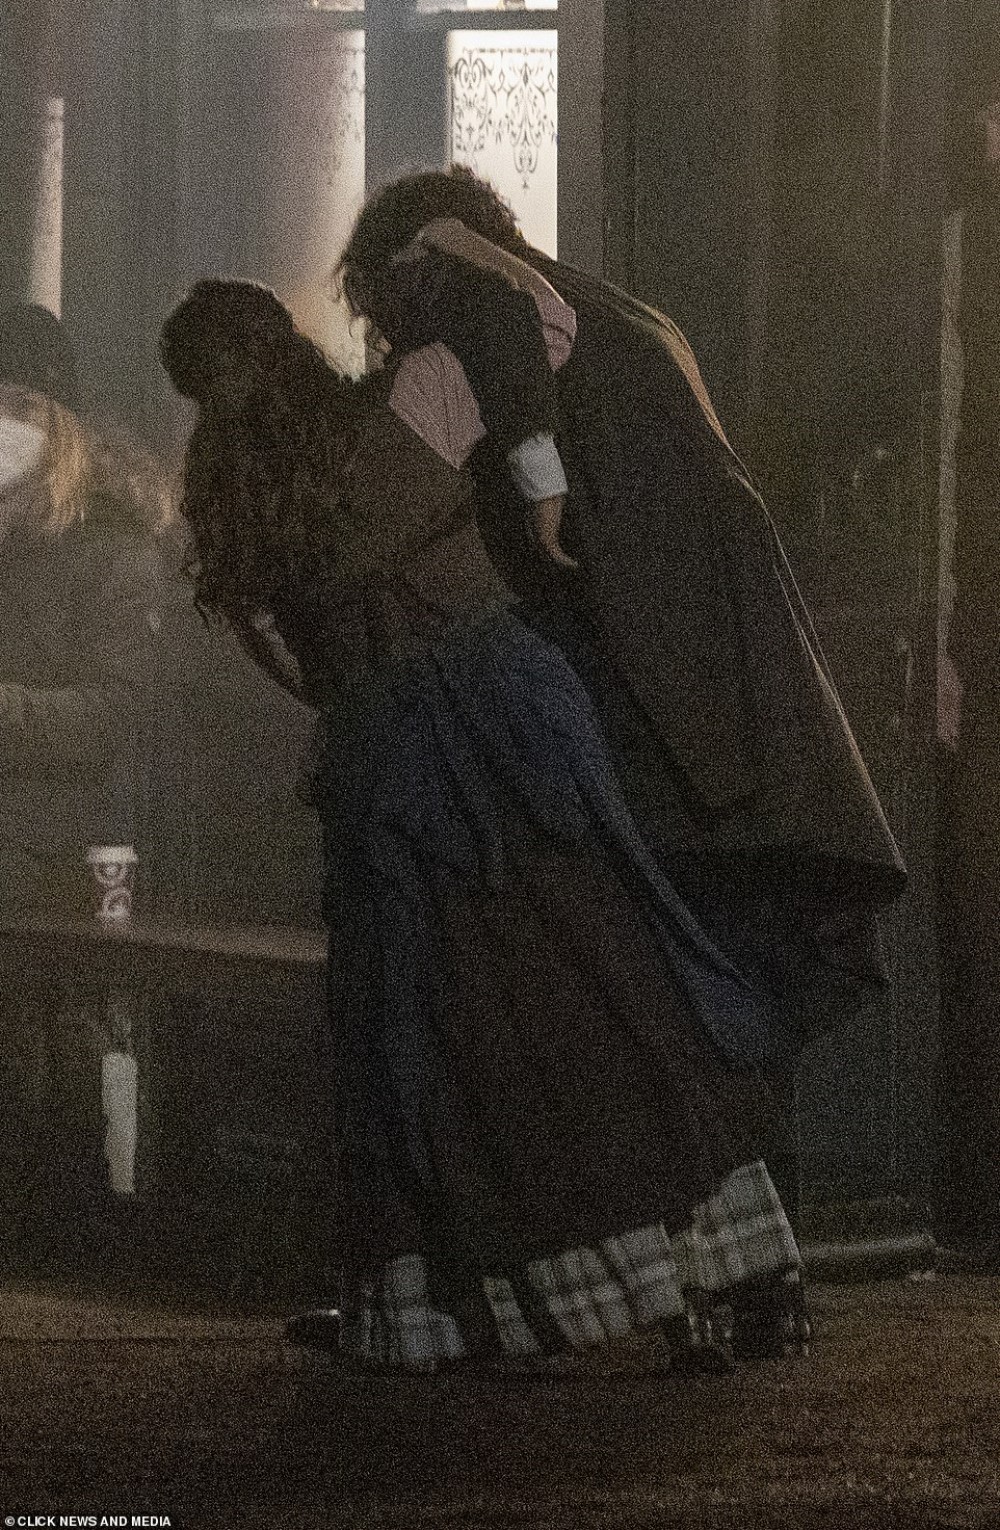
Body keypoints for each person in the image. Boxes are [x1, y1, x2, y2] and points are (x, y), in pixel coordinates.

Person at [160, 276, 808, 1376]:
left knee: (434, 1030)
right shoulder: (417, 396)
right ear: (291, 343)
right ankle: (722, 1271)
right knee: (609, 984)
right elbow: (546, 322)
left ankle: (450, 1310)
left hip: (389, 764)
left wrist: (373, 703)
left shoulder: (235, 509)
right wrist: (445, 244)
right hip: (510, 722)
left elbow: (297, 674)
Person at [335, 168, 908, 1076]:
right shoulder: (631, 320)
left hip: (653, 698)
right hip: (731, 689)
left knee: (675, 1010)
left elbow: (501, 317)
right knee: (738, 995)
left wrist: (536, 491)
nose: (381, 334)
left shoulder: (476, 290)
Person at [0, 303, 168, 1240]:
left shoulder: (108, 544)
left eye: (17, 408)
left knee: (52, 1048)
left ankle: (67, 1214)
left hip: (57, 847)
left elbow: (109, 718)